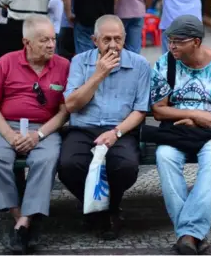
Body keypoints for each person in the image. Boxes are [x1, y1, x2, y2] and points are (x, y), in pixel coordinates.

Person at [149, 15, 211, 255]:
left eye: (179, 41)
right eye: (170, 40)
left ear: (197, 42)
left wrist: (203, 119)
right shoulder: (165, 64)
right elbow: (158, 110)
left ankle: (187, 234)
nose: (172, 46)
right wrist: (194, 114)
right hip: (177, 132)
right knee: (165, 157)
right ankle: (191, 233)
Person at [0, 15, 70, 253]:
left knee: (46, 158)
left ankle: (22, 225)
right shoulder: (7, 62)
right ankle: (22, 218)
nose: (51, 45)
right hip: (8, 125)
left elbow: (64, 111)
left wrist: (38, 135)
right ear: (26, 42)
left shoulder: (63, 65)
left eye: (53, 39)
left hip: (45, 128)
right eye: (43, 40)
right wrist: (9, 135)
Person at [58, 15, 151, 240]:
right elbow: (71, 105)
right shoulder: (80, 62)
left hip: (120, 128)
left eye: (117, 39)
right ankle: (103, 210)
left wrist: (116, 132)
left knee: (125, 167)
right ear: (94, 40)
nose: (112, 45)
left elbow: (140, 110)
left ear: (125, 38)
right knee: (68, 166)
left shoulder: (139, 64)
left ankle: (106, 207)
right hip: (83, 128)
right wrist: (99, 74)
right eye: (106, 39)